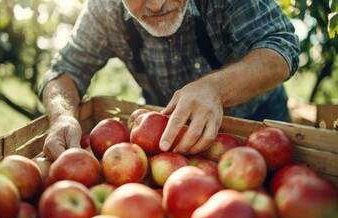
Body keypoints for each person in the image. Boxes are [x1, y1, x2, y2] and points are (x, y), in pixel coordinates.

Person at [38, 0, 300, 160]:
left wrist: (216, 88)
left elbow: (282, 45)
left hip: (257, 126)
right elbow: (66, 69)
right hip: (164, 139)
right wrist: (62, 115)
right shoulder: (105, 9)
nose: (155, 4)